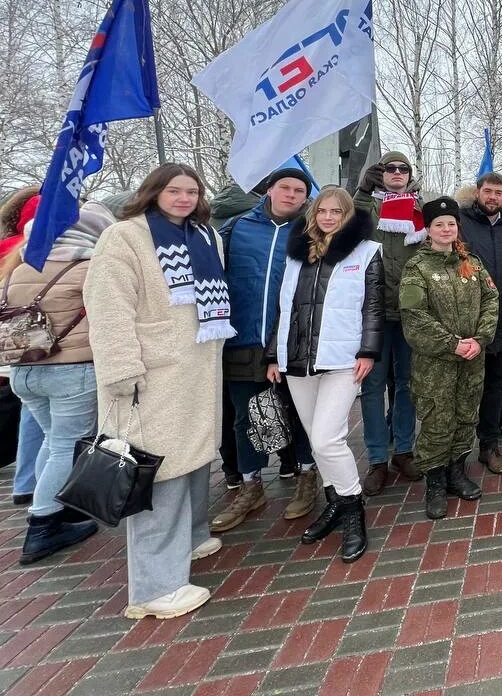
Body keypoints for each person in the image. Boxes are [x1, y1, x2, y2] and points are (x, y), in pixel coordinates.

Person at [84, 163, 235, 619]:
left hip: (196, 368)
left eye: (192, 191)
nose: (184, 198)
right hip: (150, 375)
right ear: (153, 191)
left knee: (192, 461)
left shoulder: (207, 236)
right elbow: (108, 307)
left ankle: (190, 536)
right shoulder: (125, 237)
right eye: (175, 190)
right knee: (156, 474)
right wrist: (121, 369)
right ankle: (154, 588)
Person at [266, 188, 382, 564]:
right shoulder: (297, 254)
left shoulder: (367, 251)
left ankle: (353, 510)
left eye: (337, 212)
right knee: (318, 443)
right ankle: (335, 502)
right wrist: (273, 354)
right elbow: (283, 308)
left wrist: (369, 350)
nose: (328, 217)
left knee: (327, 438)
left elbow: (374, 307)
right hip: (297, 360)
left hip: (343, 358)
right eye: (322, 211)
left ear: (348, 215)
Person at [4, 200, 113, 564]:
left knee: (52, 442)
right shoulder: (88, 266)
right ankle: (44, 525)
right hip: (73, 368)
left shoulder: (19, 265)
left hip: (25, 368)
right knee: (66, 446)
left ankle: (48, 506)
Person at [213, 168, 317, 535]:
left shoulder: (309, 232)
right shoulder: (237, 229)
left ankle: (307, 475)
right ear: (269, 190)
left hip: (293, 340)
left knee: (301, 411)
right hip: (242, 338)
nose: (291, 195)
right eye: (285, 188)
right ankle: (251, 484)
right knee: (247, 416)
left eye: (299, 190)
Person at [400, 196, 499, 519]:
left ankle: (457, 471)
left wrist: (480, 339)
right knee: (437, 419)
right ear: (428, 230)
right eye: (439, 225)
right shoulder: (417, 268)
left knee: (465, 414)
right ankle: (436, 482)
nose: (446, 229)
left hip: (472, 358)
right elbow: (415, 317)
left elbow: (491, 300)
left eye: (451, 224)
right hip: (436, 364)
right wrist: (452, 344)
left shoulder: (471, 262)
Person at [354, 151, 425, 494]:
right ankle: (377, 458)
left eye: (403, 168)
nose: (396, 172)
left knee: (407, 384)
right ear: (380, 174)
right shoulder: (370, 207)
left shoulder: (418, 210)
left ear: (409, 174)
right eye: (389, 168)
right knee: (372, 386)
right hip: (374, 313)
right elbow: (349, 219)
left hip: (409, 313)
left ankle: (404, 449)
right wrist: (362, 191)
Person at [457, 173, 502, 475]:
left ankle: (489, 446)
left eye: (498, 193)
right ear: (478, 192)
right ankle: (457, 450)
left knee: (497, 384)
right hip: (469, 317)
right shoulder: (459, 221)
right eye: (488, 192)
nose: (493, 198)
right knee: (467, 387)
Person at [1, 186, 45, 507]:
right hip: (46, 344)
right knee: (57, 432)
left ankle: (26, 482)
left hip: (18, 351)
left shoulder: (7, 250)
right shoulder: (35, 254)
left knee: (34, 414)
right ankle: (46, 499)